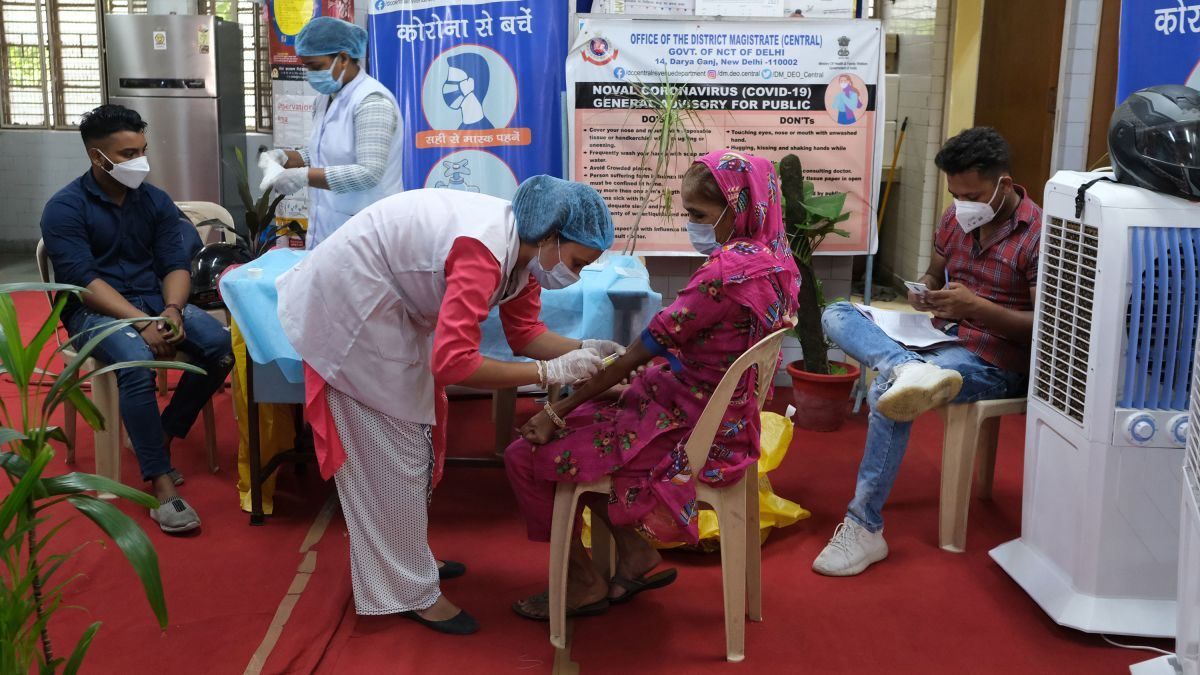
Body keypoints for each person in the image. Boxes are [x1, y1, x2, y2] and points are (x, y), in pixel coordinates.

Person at [274, 176, 621, 635]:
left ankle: (408, 560)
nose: (574, 275)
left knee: (413, 442)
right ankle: (406, 590)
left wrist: (585, 349)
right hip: (351, 308)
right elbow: (454, 364)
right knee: (391, 455)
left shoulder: (528, 255)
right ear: (553, 237)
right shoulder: (485, 249)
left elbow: (525, 334)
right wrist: (548, 374)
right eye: (577, 262)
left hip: (391, 307)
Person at [504, 150, 799, 620]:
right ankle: (636, 555)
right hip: (724, 419)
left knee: (526, 454)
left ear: (737, 208)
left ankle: (581, 581)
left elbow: (640, 352)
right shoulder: (779, 265)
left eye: (699, 216)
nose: (694, 226)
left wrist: (554, 409)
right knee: (591, 412)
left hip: (689, 433)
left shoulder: (723, 275)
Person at [813, 127, 1040, 576]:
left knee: (885, 397)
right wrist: (926, 293)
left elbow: (1045, 328)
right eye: (955, 193)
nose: (962, 204)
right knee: (836, 312)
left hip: (995, 357)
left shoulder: (1040, 235)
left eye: (972, 194)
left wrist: (978, 308)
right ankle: (905, 366)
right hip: (936, 336)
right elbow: (934, 274)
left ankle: (864, 528)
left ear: (1005, 186)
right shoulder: (955, 219)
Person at [40, 104, 234, 534]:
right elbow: (83, 282)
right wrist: (140, 322)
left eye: (142, 150)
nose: (140, 162)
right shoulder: (65, 208)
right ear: (97, 157)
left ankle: (162, 434)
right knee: (134, 361)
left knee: (220, 347)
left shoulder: (155, 201)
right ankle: (160, 484)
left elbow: (175, 264)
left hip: (153, 301)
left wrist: (170, 311)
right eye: (128, 154)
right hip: (95, 310)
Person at [259, 17, 403, 248]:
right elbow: (320, 153)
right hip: (328, 227)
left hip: (367, 230)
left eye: (315, 67)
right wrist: (284, 158)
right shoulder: (325, 99)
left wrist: (303, 176)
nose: (310, 74)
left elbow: (369, 173)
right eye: (306, 66)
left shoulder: (372, 101)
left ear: (344, 58)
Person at [442, 52, 495, 130]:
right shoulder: (458, 132)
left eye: (455, 80)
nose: (449, 86)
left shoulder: (488, 131)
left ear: (471, 83)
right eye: (449, 81)